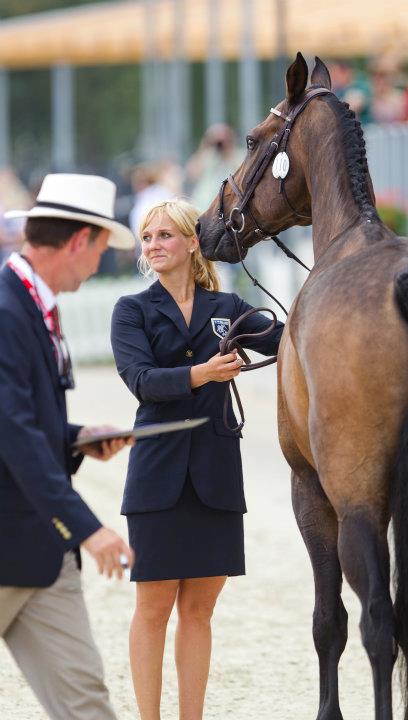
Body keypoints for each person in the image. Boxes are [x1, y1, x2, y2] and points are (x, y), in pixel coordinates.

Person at [110, 198, 283, 720]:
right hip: (157, 479)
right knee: (153, 608)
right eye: (147, 237)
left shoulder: (229, 308)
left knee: (199, 612)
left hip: (216, 476)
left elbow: (295, 340)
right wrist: (203, 374)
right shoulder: (132, 310)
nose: (154, 245)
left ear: (192, 242)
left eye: (165, 235)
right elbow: (141, 382)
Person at [0, 173, 136, 720]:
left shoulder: (32, 305)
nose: (101, 262)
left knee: (86, 705)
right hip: (19, 536)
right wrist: (88, 528)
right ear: (80, 240)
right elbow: (12, 432)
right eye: (101, 248)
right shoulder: (7, 311)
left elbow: (25, 424)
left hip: (42, 550)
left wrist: (76, 438)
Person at [184, 124, 244, 211]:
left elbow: (244, 173)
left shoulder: (239, 155)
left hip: (229, 208)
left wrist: (228, 151)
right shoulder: (208, 155)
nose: (221, 143)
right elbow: (191, 173)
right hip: (204, 207)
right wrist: (205, 145)